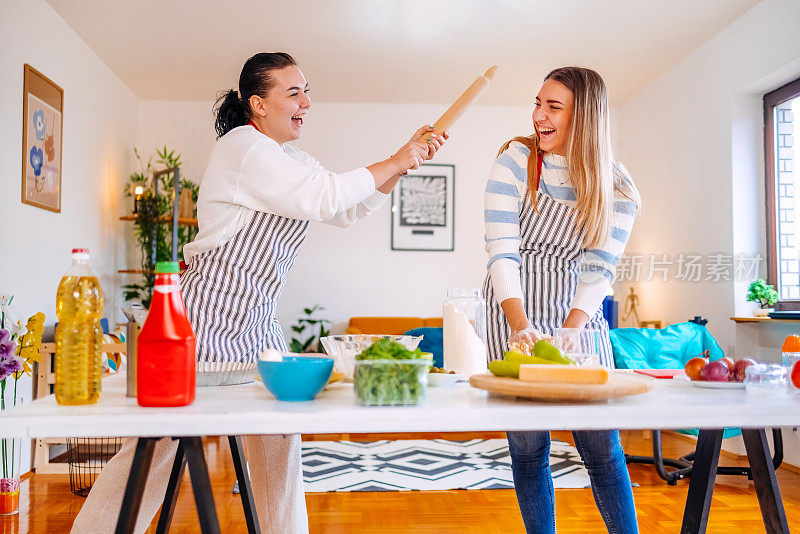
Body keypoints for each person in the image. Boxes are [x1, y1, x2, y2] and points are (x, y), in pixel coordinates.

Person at [72, 52, 446, 534]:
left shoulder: (292, 159)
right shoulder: (243, 148)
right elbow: (327, 195)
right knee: (153, 453)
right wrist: (395, 159)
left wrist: (404, 163)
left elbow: (344, 209)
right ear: (259, 104)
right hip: (202, 329)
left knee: (279, 449)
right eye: (294, 92)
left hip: (258, 333)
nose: (306, 102)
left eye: (306, 91)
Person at [482, 66, 641, 533]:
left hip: (581, 311)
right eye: (537, 104)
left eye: (553, 107)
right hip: (514, 307)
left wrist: (573, 328)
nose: (538, 116)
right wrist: (518, 322)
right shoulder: (514, 160)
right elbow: (502, 250)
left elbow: (599, 267)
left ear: (585, 116)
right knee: (529, 451)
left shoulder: (616, 184)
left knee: (603, 449)